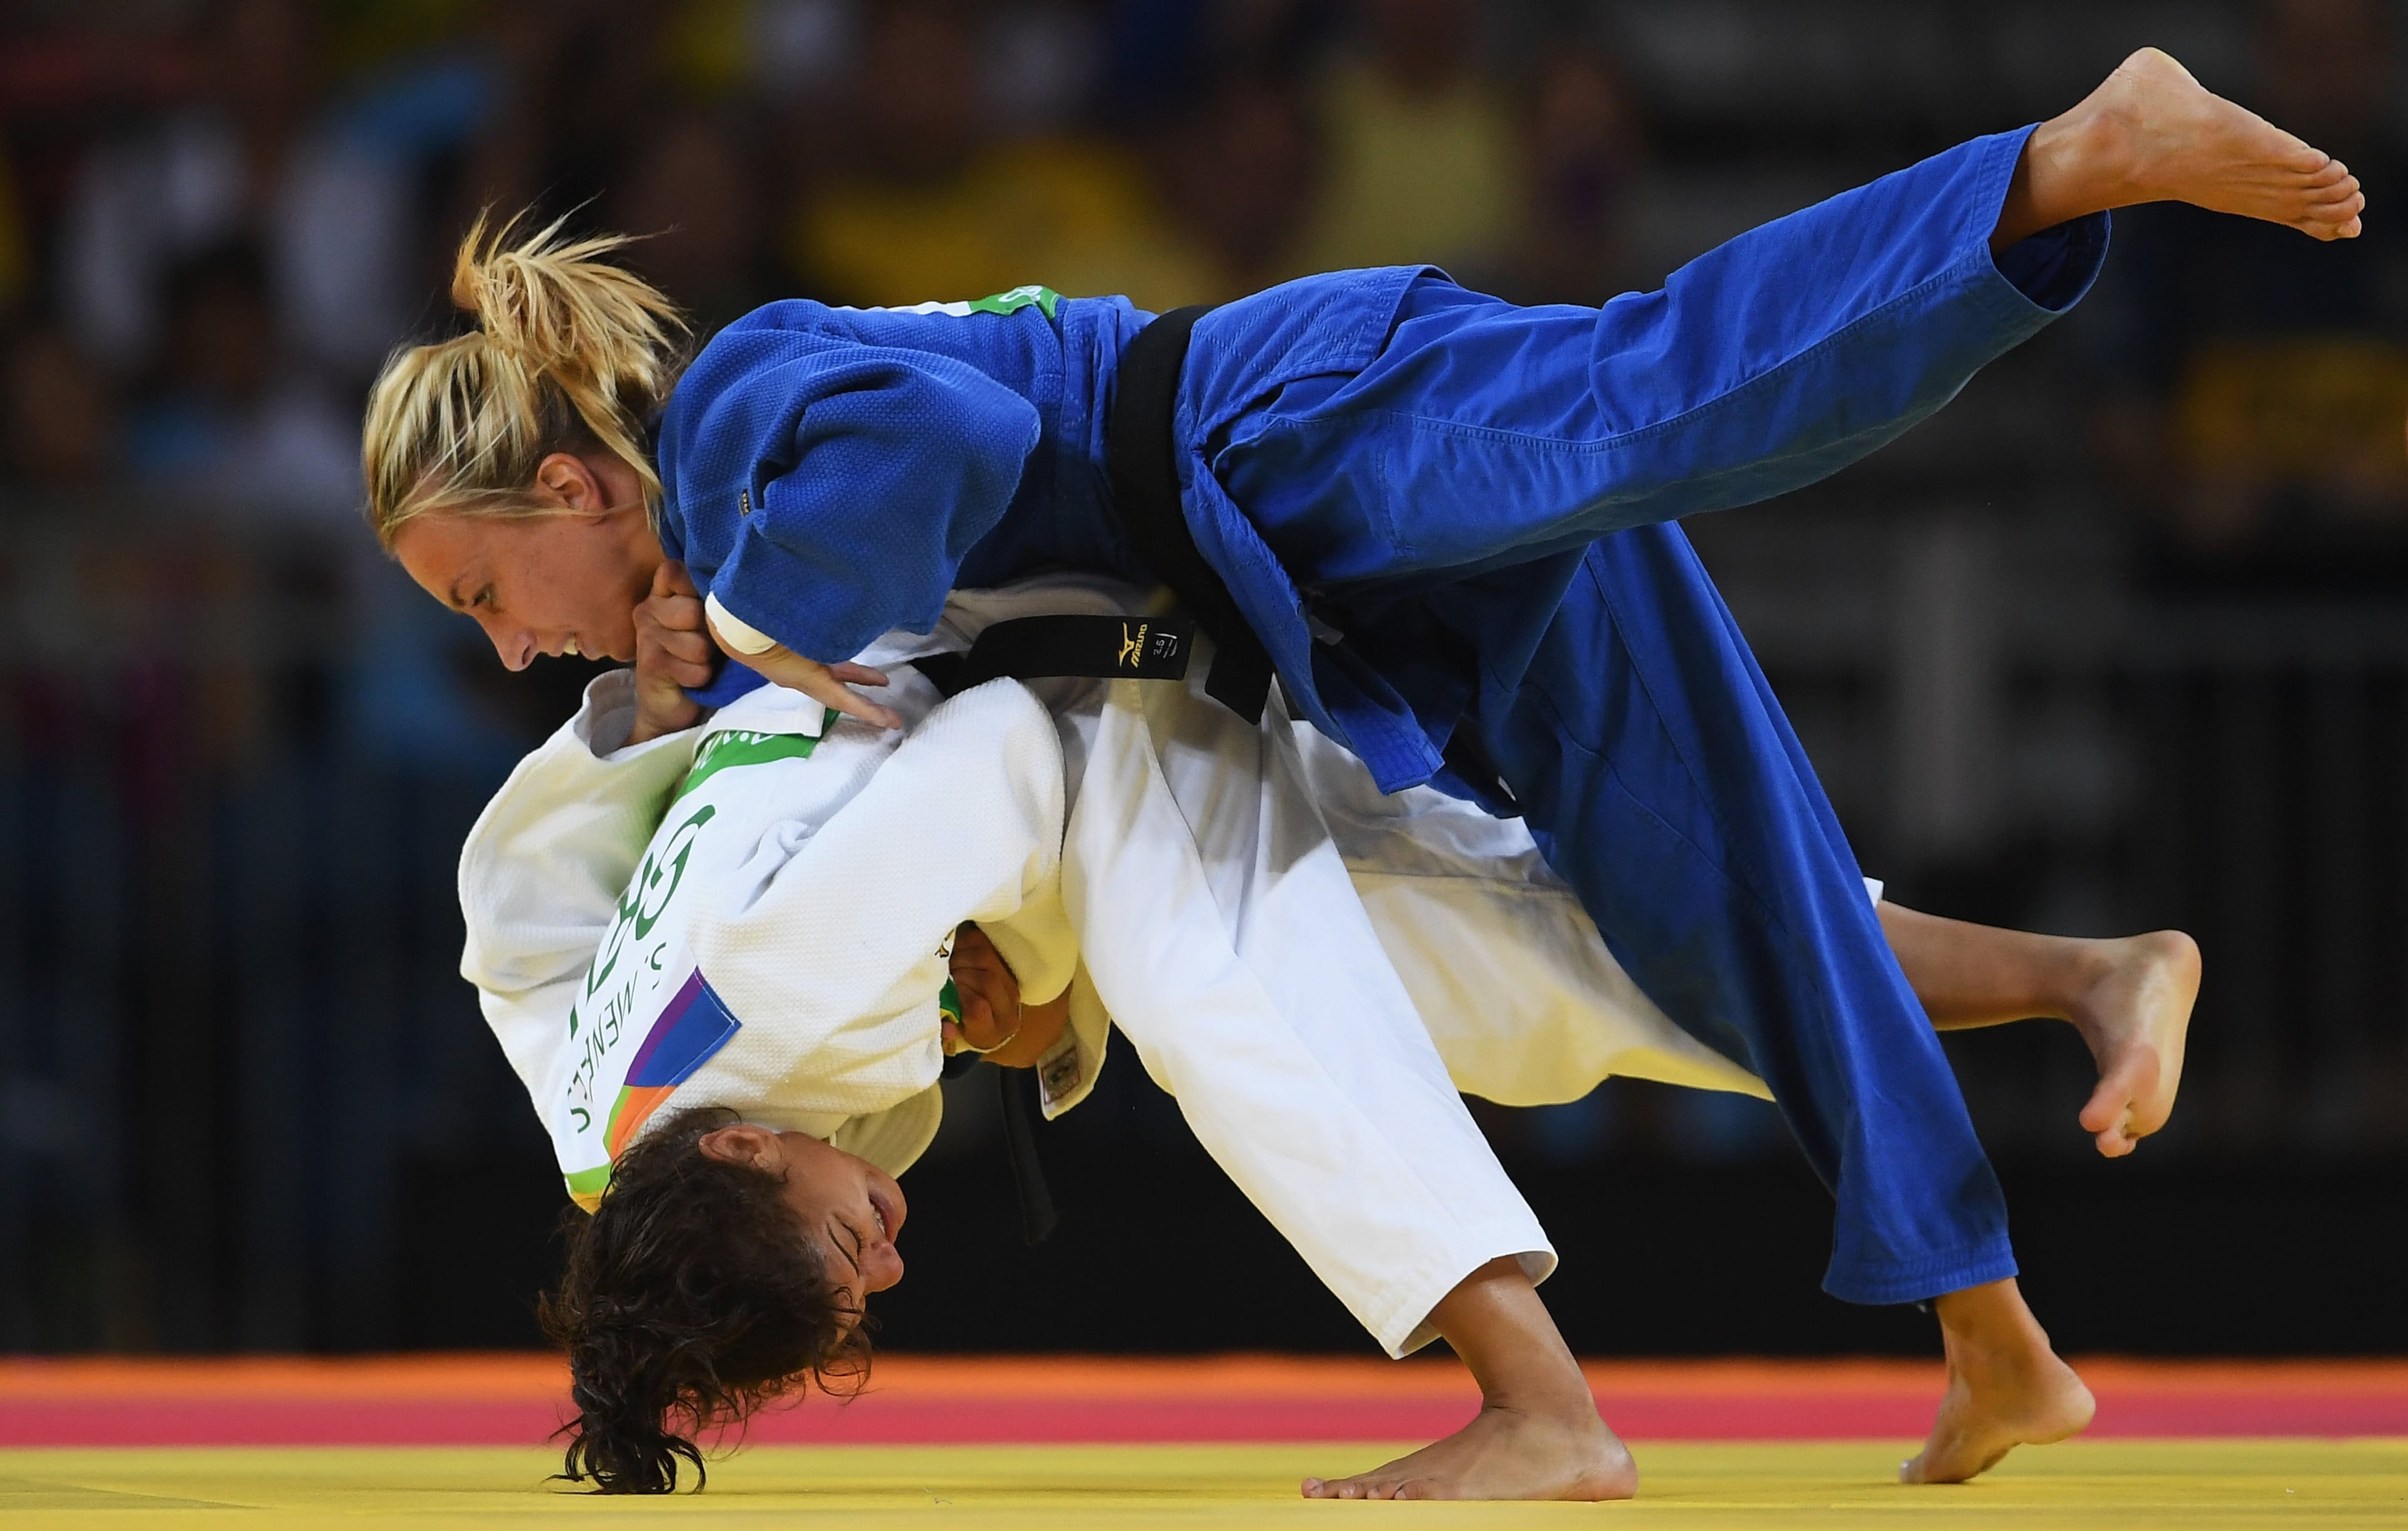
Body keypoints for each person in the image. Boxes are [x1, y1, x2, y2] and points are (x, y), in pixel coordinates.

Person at [367, 49, 2318, 1496]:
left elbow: (959, 451)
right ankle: (2019, 1230)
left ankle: (2061, 168)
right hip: (1285, 592)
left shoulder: (732, 429)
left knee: (1653, 400)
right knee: (1680, 889)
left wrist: (768, 626)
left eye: (483, 590)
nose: (509, 642)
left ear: (568, 485)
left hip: (1276, 423)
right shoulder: (728, 603)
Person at [465, 572, 2197, 1497]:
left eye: (852, 1246)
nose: (897, 1255)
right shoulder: (598, 1116)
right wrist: (650, 723)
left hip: (1079, 671)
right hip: (1026, 702)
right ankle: (2083, 978)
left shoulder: (783, 981)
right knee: (1561, 973)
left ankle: (1543, 1409)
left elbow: (1009, 759)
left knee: (1223, 1010)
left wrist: (1045, 984)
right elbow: (507, 918)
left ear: (750, 1146)